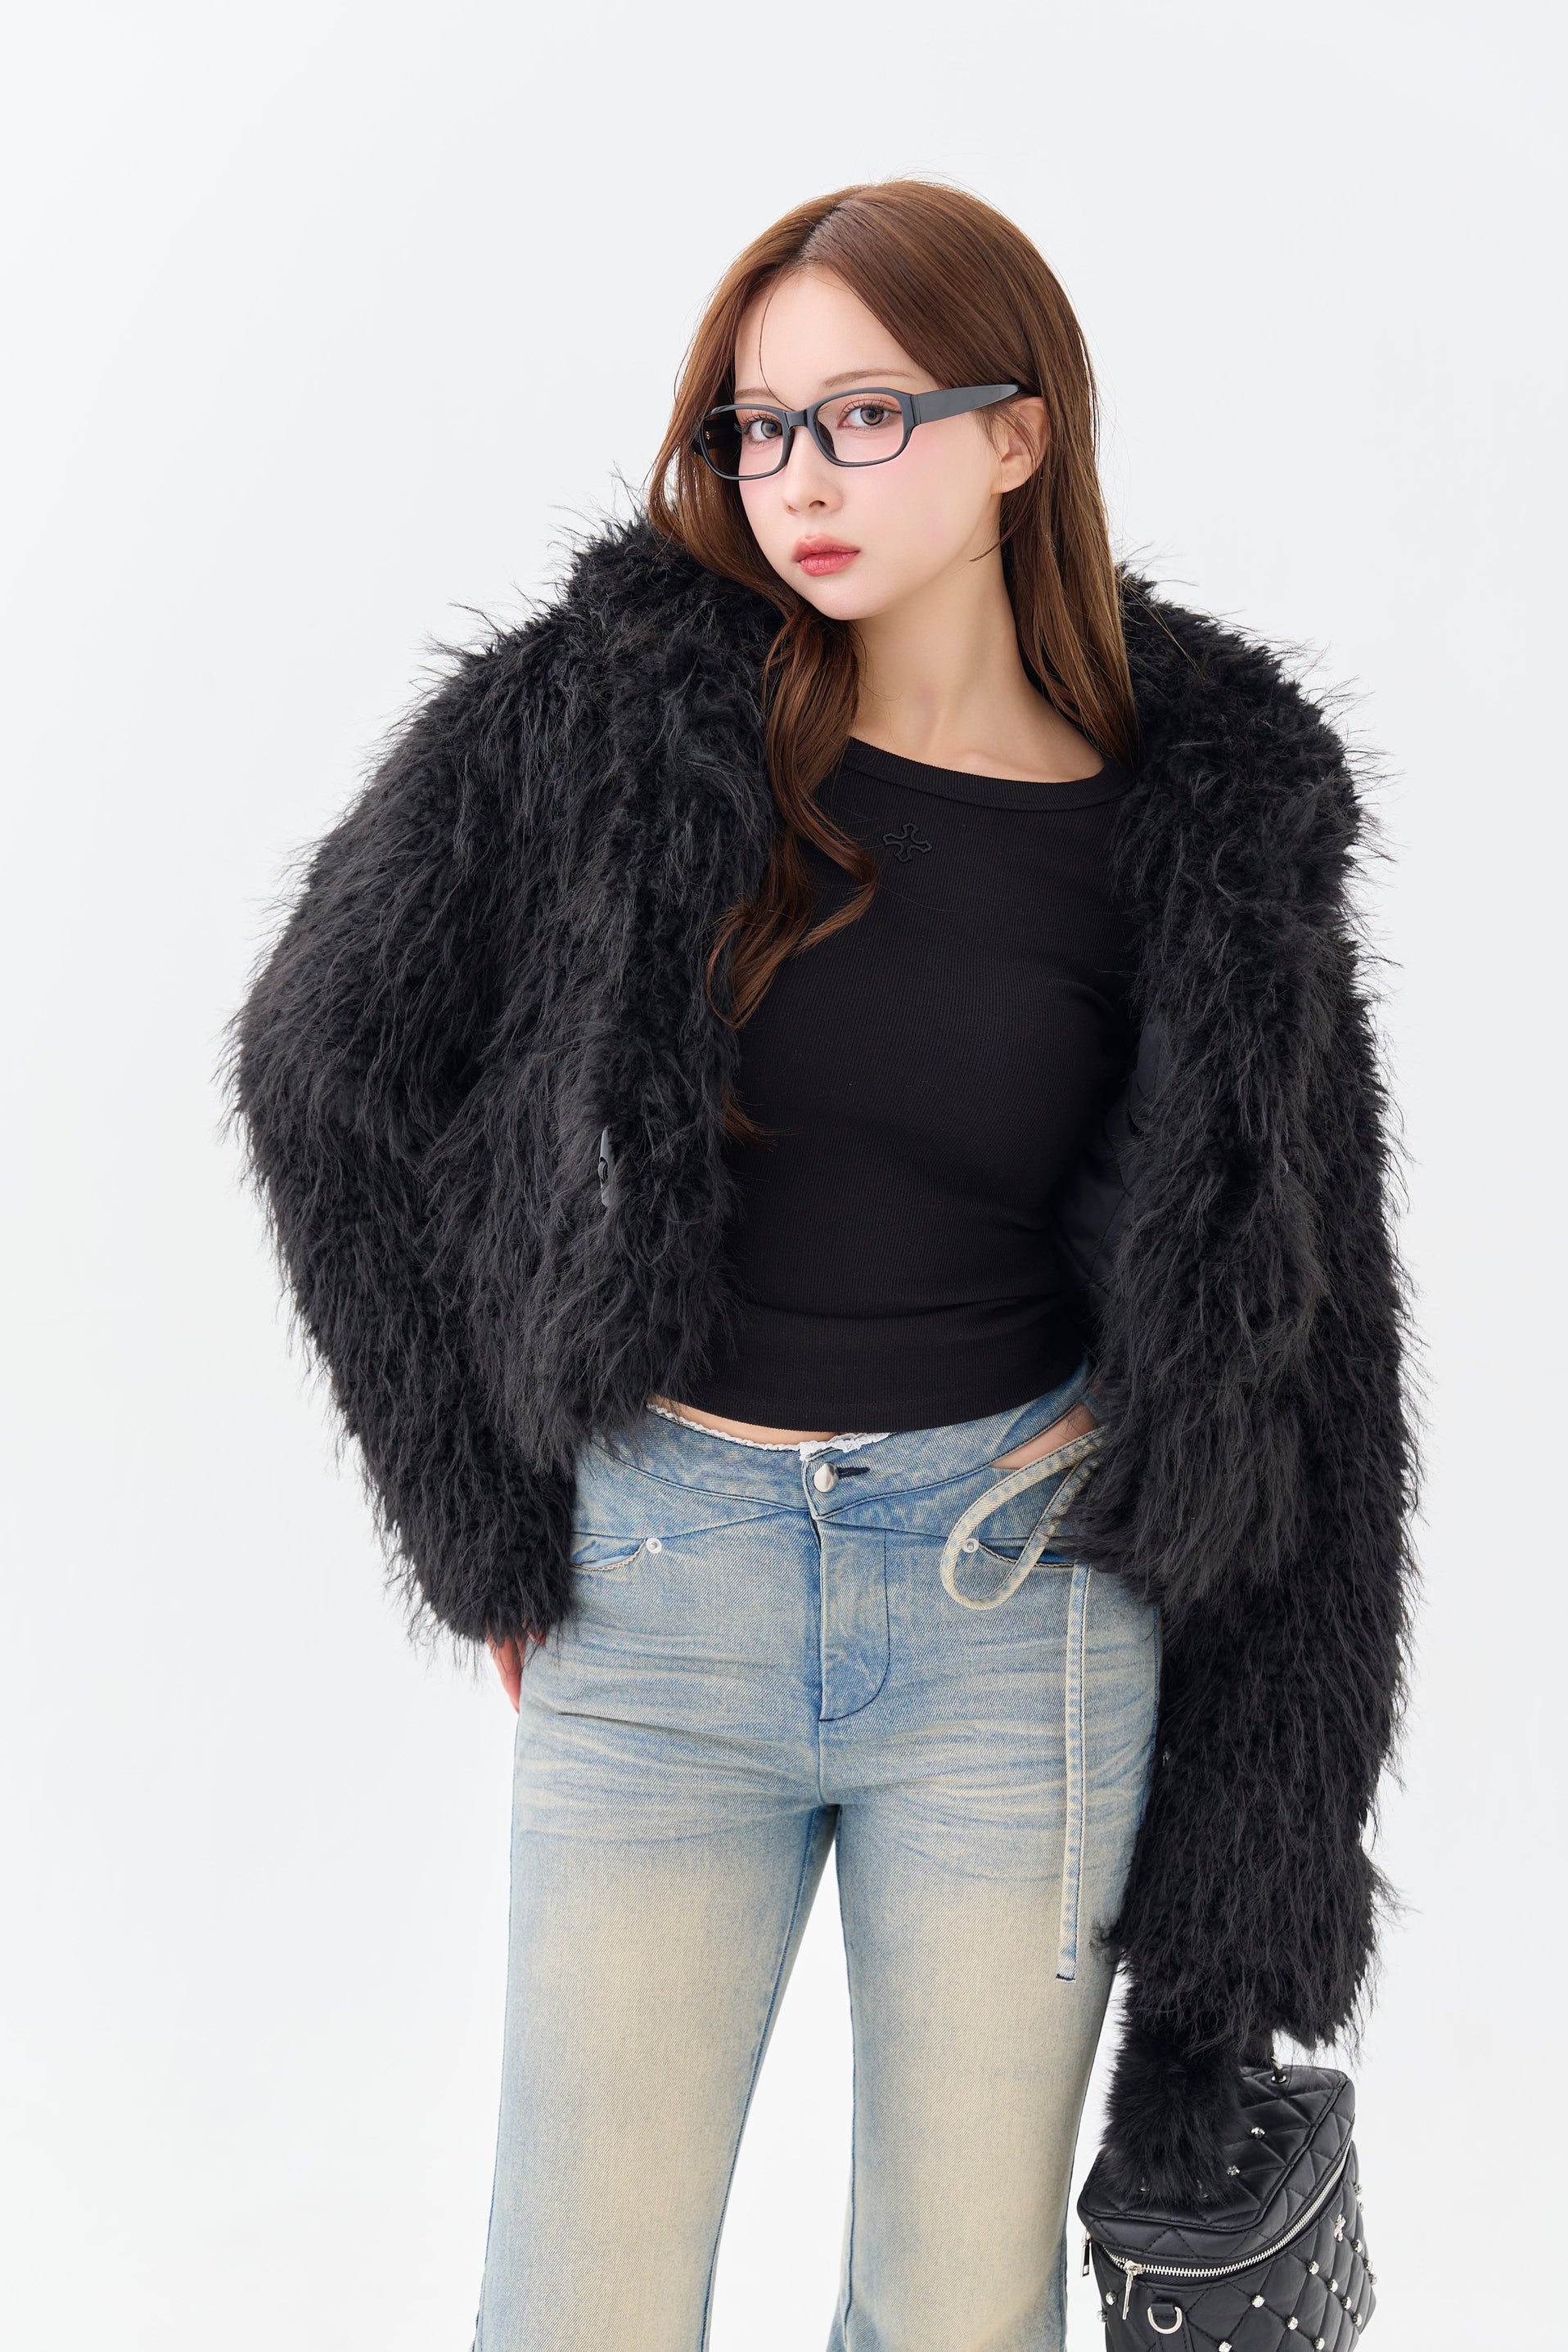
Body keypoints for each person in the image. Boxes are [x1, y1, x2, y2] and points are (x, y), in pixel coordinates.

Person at [227, 179, 1417, 2352]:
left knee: (955, 2316)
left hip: (1019, 1614)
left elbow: (1309, 1338)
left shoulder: (1205, 823)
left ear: (1018, 435)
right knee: (574, 2305)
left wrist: (1260, 1877)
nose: (797, 478)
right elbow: (321, 1067)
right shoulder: (610, 715)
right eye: (756, 426)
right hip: (656, 1597)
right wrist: (482, 1517)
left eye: (864, 416)